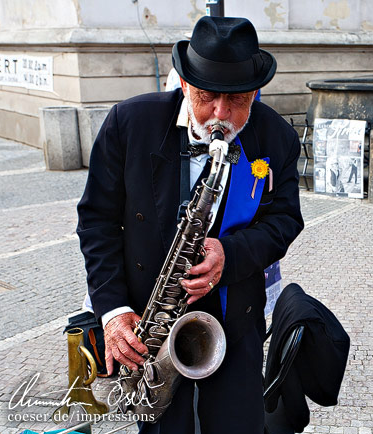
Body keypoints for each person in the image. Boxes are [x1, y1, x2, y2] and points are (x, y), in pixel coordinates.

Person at [77, 16, 304, 433]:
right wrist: (113, 311)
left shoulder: (277, 138)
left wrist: (229, 255)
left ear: (255, 91)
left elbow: (286, 219)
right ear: (183, 85)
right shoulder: (129, 124)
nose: (221, 114)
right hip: (152, 322)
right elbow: (97, 222)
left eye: (236, 100)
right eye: (206, 97)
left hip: (234, 319)